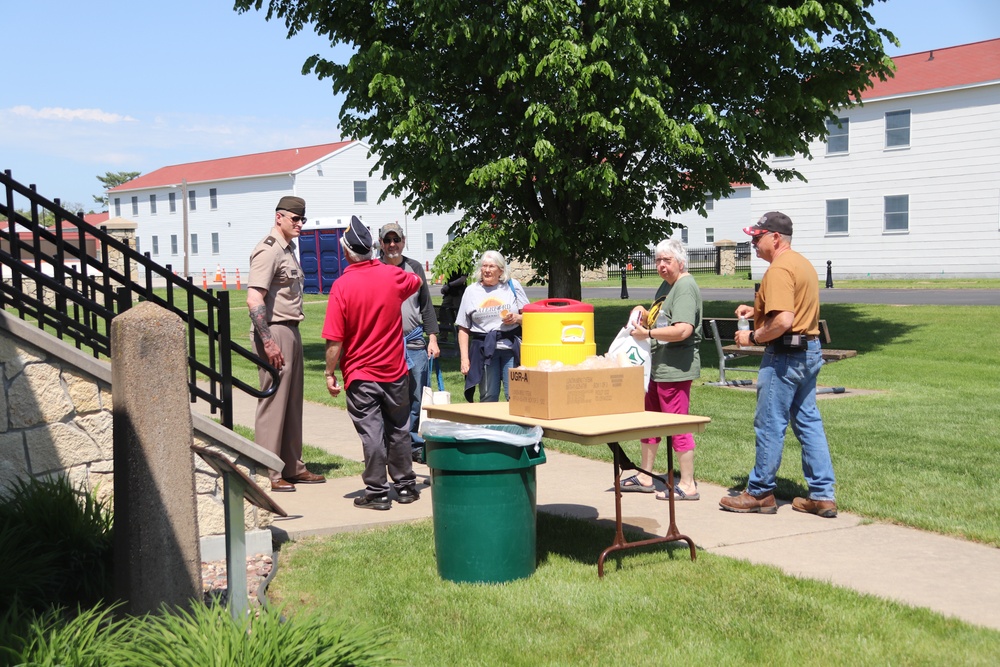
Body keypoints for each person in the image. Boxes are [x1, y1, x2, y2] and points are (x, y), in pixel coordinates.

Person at [719, 211, 838, 518]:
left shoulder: (778, 269)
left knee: (770, 422)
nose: (753, 243)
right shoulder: (801, 263)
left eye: (757, 238)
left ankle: (759, 492)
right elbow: (791, 309)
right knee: (808, 422)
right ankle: (823, 495)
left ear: (775, 237)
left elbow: (784, 320)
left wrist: (754, 337)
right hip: (809, 351)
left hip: (784, 356)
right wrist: (757, 308)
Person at [322, 215, 423, 510]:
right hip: (395, 370)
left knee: (372, 433)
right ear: (372, 248)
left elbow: (334, 341)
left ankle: (378, 492)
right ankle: (405, 486)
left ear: (347, 252)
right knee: (399, 428)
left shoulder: (342, 286)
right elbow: (415, 280)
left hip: (361, 373)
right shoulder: (393, 276)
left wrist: (329, 372)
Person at [247, 195, 326, 492]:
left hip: (291, 329)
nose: (300, 224)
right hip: (275, 332)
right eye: (295, 219)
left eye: (302, 219)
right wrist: (268, 343)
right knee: (273, 402)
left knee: (292, 403)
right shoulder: (268, 251)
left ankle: (293, 466)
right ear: (278, 217)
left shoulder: (288, 250)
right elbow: (254, 299)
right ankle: (268, 469)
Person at [619, 239, 702, 501]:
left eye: (667, 260)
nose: (662, 265)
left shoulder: (685, 286)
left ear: (680, 261)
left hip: (675, 370)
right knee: (650, 423)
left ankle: (688, 484)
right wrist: (642, 312)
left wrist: (649, 334)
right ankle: (645, 476)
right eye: (658, 260)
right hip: (657, 368)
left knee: (677, 425)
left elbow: (683, 329)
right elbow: (661, 316)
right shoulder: (668, 285)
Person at [377, 223, 440, 462]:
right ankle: (386, 444)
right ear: (381, 243)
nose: (392, 245)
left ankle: (413, 443)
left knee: (416, 396)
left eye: (396, 240)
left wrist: (432, 338)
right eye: (388, 240)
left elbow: (426, 305)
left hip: (414, 343)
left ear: (403, 241)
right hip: (385, 346)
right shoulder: (375, 268)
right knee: (388, 397)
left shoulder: (414, 268)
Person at [456, 250, 529, 402]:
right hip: (485, 350)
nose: (487, 270)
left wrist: (517, 318)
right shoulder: (471, 291)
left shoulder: (512, 286)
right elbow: (463, 327)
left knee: (516, 396)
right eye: (484, 266)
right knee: (488, 395)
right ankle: (489, 426)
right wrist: (464, 359)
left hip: (511, 349)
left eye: (492, 266)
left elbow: (530, 317)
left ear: (501, 270)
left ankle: (517, 426)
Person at [438, 269, 469, 343]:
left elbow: (462, 279)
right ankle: (443, 336)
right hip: (448, 294)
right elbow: (448, 278)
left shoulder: (463, 263)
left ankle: (461, 337)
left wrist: (449, 285)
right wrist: (445, 287)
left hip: (459, 295)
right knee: (443, 313)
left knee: (460, 315)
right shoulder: (449, 264)